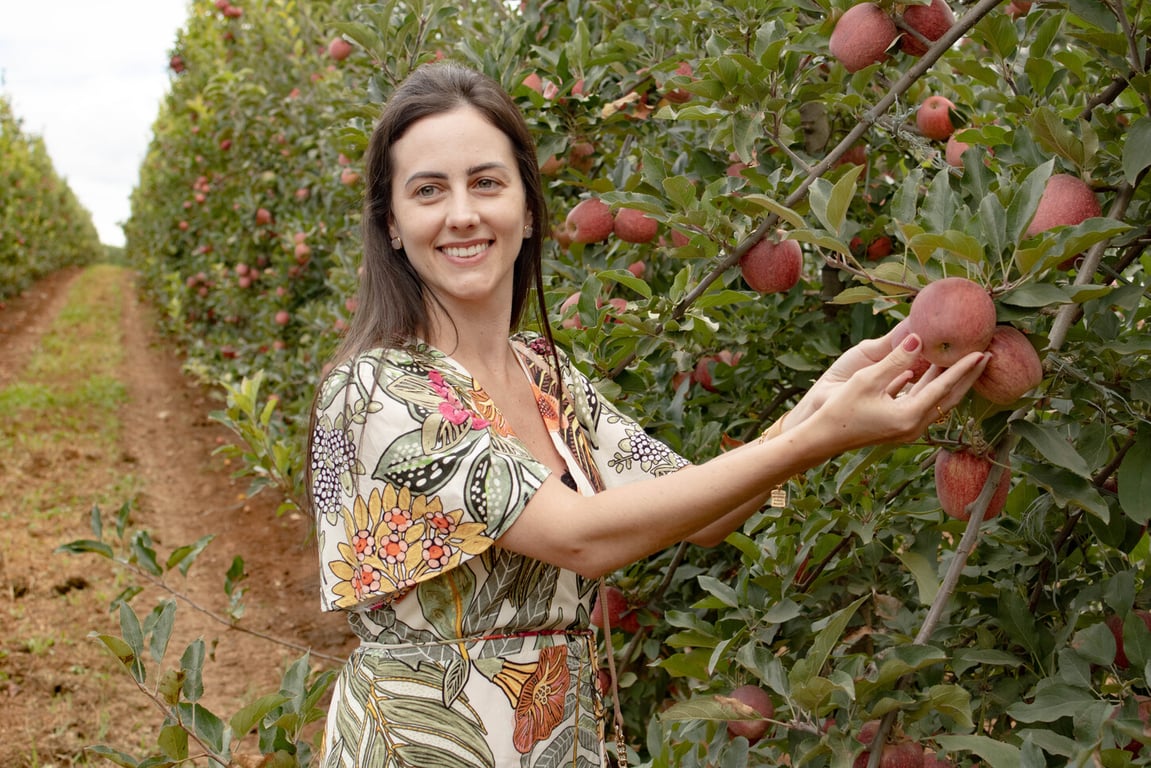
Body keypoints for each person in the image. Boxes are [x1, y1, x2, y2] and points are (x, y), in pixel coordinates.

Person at [305, 61, 989, 768]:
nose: (462, 213)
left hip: (548, 740)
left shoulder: (543, 375)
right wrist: (819, 434)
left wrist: (819, 404)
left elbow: (700, 507)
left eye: (486, 182)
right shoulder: (379, 388)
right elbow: (580, 540)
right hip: (424, 745)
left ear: (528, 207)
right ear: (390, 224)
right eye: (428, 191)